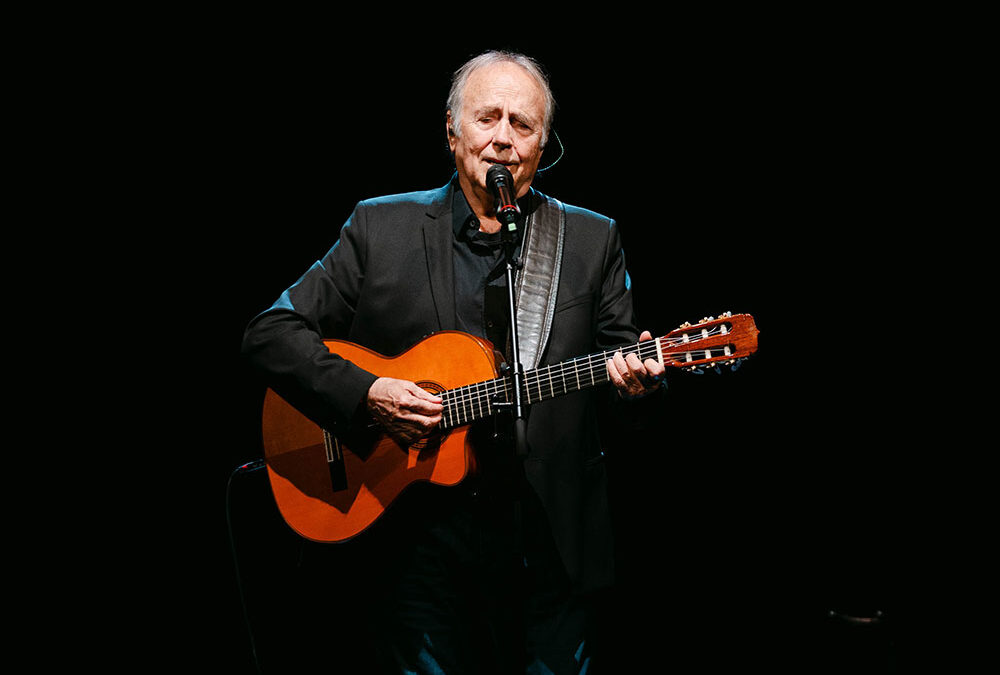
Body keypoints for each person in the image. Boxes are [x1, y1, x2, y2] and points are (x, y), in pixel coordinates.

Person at [242, 50, 665, 674]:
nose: (502, 138)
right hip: (416, 552)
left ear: (543, 144)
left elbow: (624, 402)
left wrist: (637, 389)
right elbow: (269, 333)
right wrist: (367, 394)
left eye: (522, 125)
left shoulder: (590, 240)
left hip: (549, 548)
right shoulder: (379, 227)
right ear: (452, 130)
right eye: (487, 117)